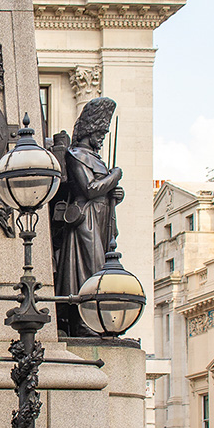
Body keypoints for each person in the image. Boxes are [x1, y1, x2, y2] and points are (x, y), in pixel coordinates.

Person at [53, 97, 124, 336]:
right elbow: (90, 189)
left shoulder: (95, 158)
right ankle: (84, 323)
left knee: (102, 267)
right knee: (89, 270)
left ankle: (98, 321)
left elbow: (102, 190)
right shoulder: (76, 156)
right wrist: (115, 176)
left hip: (102, 219)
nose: (103, 137)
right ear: (90, 130)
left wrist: (116, 193)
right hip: (86, 222)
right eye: (101, 132)